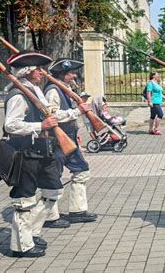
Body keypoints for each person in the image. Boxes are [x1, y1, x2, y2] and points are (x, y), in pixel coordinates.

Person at [3, 50, 62, 257]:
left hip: (42, 151)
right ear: (26, 71)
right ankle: (20, 245)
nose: (42, 72)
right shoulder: (18, 95)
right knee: (25, 200)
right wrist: (40, 125)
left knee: (53, 191)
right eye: (38, 68)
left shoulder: (34, 90)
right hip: (25, 152)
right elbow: (11, 125)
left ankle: (33, 232)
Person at [43, 58, 97, 228]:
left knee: (81, 170)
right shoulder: (53, 90)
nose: (74, 75)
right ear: (63, 74)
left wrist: (75, 131)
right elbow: (51, 115)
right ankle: (49, 216)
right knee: (53, 178)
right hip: (56, 140)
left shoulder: (65, 88)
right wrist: (76, 112)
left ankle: (78, 211)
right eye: (71, 72)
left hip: (68, 137)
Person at [146, 71, 165, 135]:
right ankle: (156, 129)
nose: (158, 76)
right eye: (157, 75)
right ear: (153, 76)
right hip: (154, 102)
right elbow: (148, 93)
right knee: (160, 114)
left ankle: (150, 130)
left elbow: (159, 93)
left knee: (152, 116)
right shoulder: (150, 83)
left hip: (157, 102)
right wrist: (149, 101)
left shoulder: (156, 83)